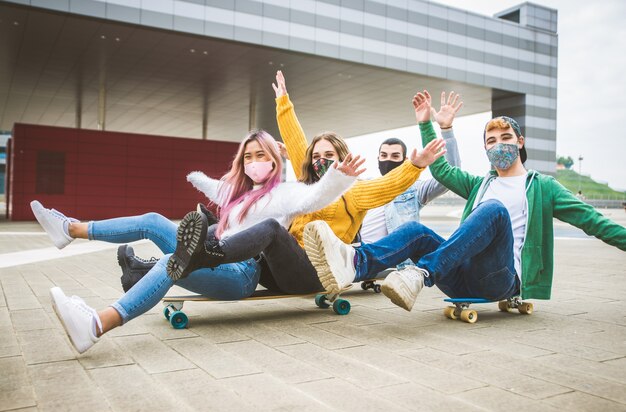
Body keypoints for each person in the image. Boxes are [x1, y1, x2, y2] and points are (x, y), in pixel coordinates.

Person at [38, 129, 364, 354]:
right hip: (217, 260)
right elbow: (207, 184)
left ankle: (95, 325)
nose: (254, 161)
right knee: (153, 221)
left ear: (275, 161)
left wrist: (339, 176)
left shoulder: (287, 193)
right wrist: (194, 176)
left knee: (172, 262)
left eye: (261, 155)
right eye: (248, 156)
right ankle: (71, 230)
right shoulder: (237, 195)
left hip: (240, 274)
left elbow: (317, 196)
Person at [303, 90, 626, 311]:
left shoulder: (543, 187)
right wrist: (432, 125)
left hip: (501, 279)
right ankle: (356, 265)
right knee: (416, 231)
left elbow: (593, 222)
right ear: (485, 149)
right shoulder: (479, 184)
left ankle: (420, 274)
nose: (498, 145)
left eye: (505, 139)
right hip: (458, 276)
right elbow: (441, 169)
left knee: (494, 211)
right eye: (491, 141)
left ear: (520, 142)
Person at [163, 71, 446, 296]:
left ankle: (207, 253)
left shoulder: (354, 191)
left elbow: (390, 186)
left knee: (268, 227)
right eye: (317, 156)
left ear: (342, 158)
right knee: (219, 225)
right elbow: (299, 144)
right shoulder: (307, 184)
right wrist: (283, 103)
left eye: (329, 156)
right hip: (279, 262)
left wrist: (416, 164)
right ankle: (157, 264)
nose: (321, 161)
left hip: (314, 270)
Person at [359, 92, 462, 271]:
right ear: (377, 158)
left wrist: (446, 129)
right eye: (384, 156)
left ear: (405, 159)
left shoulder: (414, 189)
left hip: (391, 263)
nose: (388, 160)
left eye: (394, 156)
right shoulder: (366, 186)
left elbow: (450, 176)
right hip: (359, 254)